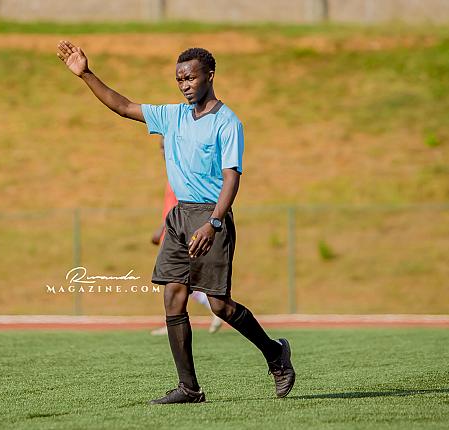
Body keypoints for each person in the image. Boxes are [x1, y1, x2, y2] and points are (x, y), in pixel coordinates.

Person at [57, 41, 295, 404]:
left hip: (211, 217)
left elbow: (231, 177)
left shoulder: (227, 122)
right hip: (179, 216)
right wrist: (86, 74)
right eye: (179, 79)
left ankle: (275, 354)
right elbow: (123, 106)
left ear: (210, 76)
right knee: (173, 296)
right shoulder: (173, 115)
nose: (184, 84)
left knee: (219, 305)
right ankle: (189, 388)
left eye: (190, 77)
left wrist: (214, 223)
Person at [151, 138, 222, 336]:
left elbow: (182, 205)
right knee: (178, 281)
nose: (162, 151)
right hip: (173, 230)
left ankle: (216, 309)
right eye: (160, 148)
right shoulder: (174, 170)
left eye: (165, 147)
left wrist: (162, 229)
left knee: (177, 280)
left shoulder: (182, 172)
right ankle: (181, 320)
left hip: (179, 233)